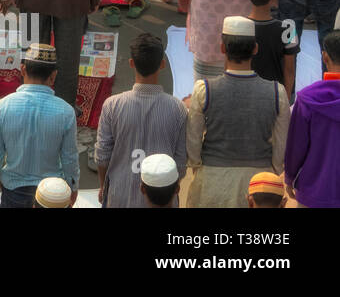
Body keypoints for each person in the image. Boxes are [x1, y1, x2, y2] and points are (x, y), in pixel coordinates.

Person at [185, 16, 290, 208]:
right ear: (255, 49)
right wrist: (273, 170)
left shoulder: (204, 89)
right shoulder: (277, 92)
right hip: (258, 183)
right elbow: (280, 146)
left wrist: (198, 167)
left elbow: (193, 140)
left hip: (212, 180)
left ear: (223, 48)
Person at [93, 31, 188, 208]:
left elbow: (102, 155)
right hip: (163, 199)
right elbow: (181, 163)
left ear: (131, 63)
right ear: (162, 65)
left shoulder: (112, 105)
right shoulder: (178, 109)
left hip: (119, 196)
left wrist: (103, 185)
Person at [0, 43, 79, 208]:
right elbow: (69, 158)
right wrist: (72, 186)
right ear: (53, 75)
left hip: (13, 191)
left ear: (22, 69)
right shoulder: (66, 112)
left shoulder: (2, 107)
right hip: (51, 195)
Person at [285, 30, 340, 208]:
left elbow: (296, 146)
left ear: (324, 57)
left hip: (313, 192)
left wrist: (290, 177)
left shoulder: (307, 98)